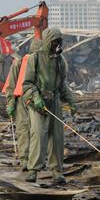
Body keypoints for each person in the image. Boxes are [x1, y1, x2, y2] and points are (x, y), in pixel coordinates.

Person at [22, 27, 77, 184]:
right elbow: (27, 84)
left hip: (54, 102)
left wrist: (72, 102)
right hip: (38, 103)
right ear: (48, 41)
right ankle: (33, 170)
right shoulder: (35, 58)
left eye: (59, 42)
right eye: (54, 42)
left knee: (57, 137)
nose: (57, 45)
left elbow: (62, 85)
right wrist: (36, 97)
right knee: (38, 135)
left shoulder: (60, 61)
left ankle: (56, 171)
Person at [3, 39, 42, 171]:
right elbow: (11, 85)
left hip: (38, 101)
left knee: (38, 131)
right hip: (22, 101)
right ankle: (25, 159)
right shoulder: (19, 63)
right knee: (24, 130)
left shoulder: (44, 64)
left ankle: (37, 159)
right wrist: (11, 103)